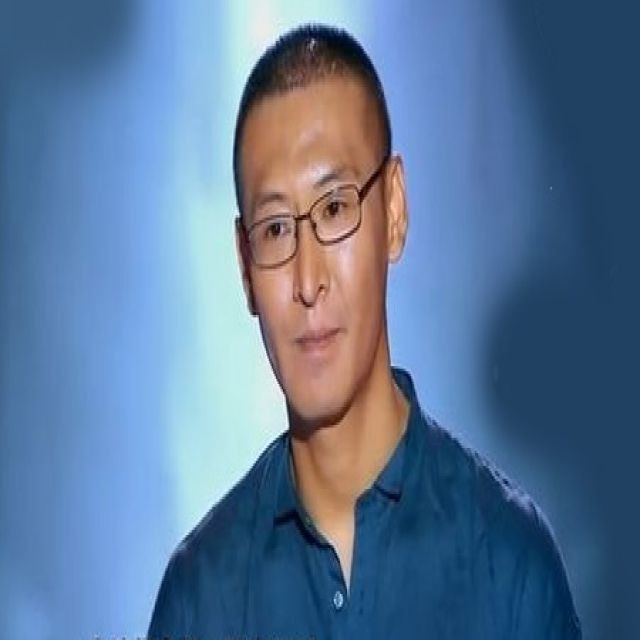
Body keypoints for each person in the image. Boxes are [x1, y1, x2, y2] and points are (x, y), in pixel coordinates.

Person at [147, 23, 582, 639]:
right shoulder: (201, 597)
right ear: (245, 267)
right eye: (276, 229)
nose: (308, 280)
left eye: (334, 209)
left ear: (394, 211)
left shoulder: (507, 562)